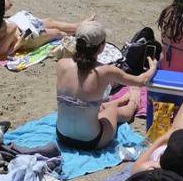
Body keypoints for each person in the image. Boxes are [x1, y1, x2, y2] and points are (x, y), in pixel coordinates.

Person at [54, 21, 157, 150]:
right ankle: (133, 102)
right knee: (112, 110)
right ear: (102, 47)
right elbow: (142, 80)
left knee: (95, 106)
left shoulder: (62, 64)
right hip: (91, 141)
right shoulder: (106, 71)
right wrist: (153, 67)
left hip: (62, 135)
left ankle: (121, 100)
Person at [0, 0, 92, 57]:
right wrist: (19, 44)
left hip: (19, 25)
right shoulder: (8, 28)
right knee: (57, 33)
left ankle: (81, 25)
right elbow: (0, 54)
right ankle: (83, 33)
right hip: (26, 36)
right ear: (0, 8)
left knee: (50, 21)